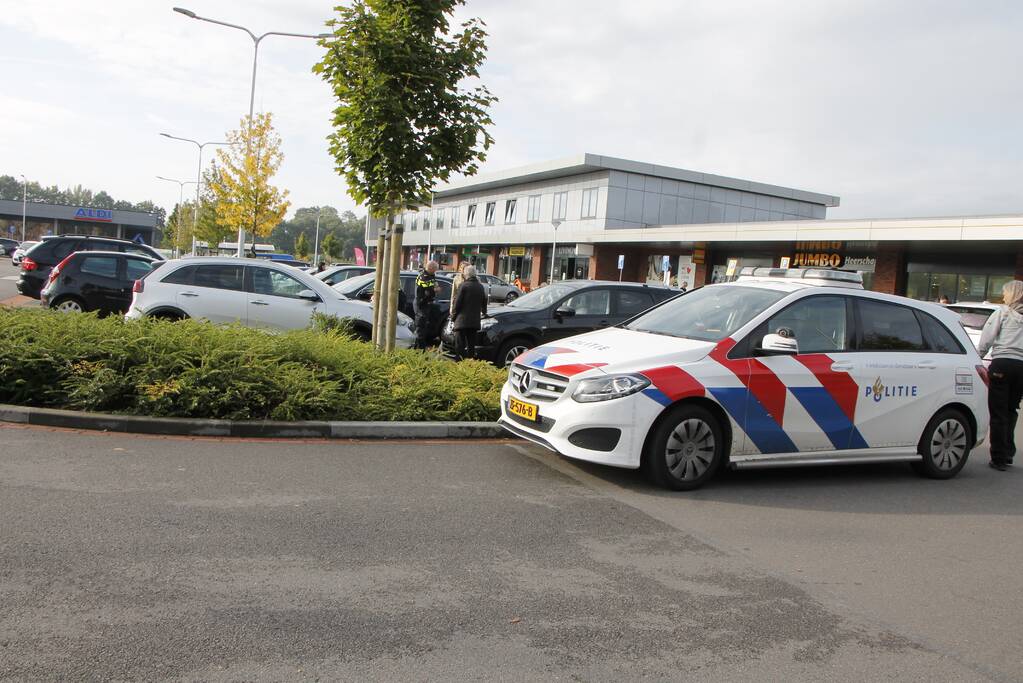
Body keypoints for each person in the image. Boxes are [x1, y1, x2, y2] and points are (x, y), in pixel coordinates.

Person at [978, 280, 1023, 471]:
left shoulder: (1002, 313)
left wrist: (977, 357)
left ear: (1012, 294)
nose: (1003, 296)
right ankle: (1008, 452)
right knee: (1011, 410)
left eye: (1005, 292)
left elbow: (987, 337)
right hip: (1021, 367)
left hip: (1002, 364)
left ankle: (998, 458)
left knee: (998, 412)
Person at [451, 265, 487, 360]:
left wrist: (453, 317)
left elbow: (457, 303)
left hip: (461, 321)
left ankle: (459, 365)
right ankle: (469, 365)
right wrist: (484, 312)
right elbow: (484, 301)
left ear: (466, 275)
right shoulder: (480, 287)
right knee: (471, 346)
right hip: (474, 321)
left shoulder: (463, 286)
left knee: (460, 347)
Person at [413, 260, 440, 349]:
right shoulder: (423, 276)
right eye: (435, 269)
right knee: (420, 328)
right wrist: (435, 289)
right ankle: (420, 350)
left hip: (426, 304)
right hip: (421, 304)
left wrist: (435, 287)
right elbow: (426, 286)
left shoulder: (430, 275)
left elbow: (432, 284)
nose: (435, 271)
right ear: (431, 268)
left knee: (423, 328)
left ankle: (417, 349)